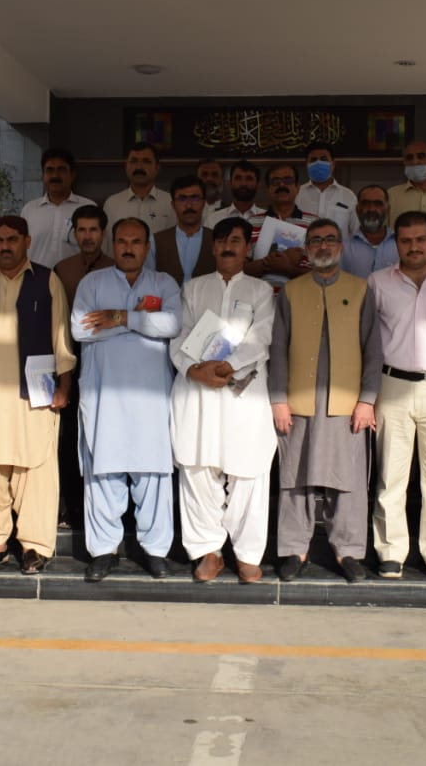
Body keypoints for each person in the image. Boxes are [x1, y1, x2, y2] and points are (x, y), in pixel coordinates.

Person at [0, 216, 76, 575]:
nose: (5, 246)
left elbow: (61, 338)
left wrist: (64, 386)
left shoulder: (47, 279)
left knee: (35, 468)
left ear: (27, 241)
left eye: (12, 239)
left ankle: (34, 546)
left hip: (34, 394)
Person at [269, 219, 382, 583]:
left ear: (340, 246)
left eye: (330, 240)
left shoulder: (360, 289)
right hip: (298, 401)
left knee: (349, 479)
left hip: (346, 403)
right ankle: (293, 550)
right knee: (294, 477)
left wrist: (367, 400)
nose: (323, 246)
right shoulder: (291, 291)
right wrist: (278, 399)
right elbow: (278, 348)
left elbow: (373, 349)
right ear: (306, 248)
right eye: (316, 241)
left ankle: (348, 551)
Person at [72, 217, 183, 581]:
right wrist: (142, 322)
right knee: (103, 472)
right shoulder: (93, 282)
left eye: (136, 242)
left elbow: (173, 325)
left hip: (151, 400)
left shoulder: (163, 283)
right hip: (104, 396)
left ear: (147, 247)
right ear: (112, 243)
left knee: (153, 473)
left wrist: (118, 318)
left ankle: (156, 552)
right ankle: (104, 551)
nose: (129, 248)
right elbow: (80, 329)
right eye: (122, 241)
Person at [170, 217, 277, 583]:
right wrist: (192, 369)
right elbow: (179, 334)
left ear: (248, 248)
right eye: (221, 241)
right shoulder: (193, 288)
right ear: (213, 247)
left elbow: (263, 336)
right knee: (197, 467)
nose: (228, 247)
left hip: (243, 390)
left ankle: (247, 554)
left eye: (235, 240)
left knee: (249, 469)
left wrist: (230, 365)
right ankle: (208, 551)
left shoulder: (261, 290)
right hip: (198, 388)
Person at [368, 211, 426, 579]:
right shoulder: (378, 283)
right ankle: (391, 550)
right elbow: (368, 340)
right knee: (390, 475)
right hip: (391, 383)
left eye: (421, 239)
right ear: (396, 243)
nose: (414, 247)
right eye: (406, 240)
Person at [53, 204, 115, 530]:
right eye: (82, 230)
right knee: (69, 437)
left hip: (109, 363)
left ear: (103, 233)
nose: (88, 236)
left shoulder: (117, 268)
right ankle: (72, 506)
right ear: (74, 233)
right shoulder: (62, 269)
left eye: (93, 230)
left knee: (106, 434)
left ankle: (108, 509)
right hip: (69, 360)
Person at [21, 148, 96, 269]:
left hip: (77, 278)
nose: (55, 175)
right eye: (49, 170)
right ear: (43, 175)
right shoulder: (29, 209)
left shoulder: (89, 208)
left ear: (72, 175)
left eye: (61, 170)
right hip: (37, 279)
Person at [244, 163, 313, 290]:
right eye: (275, 181)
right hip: (259, 298)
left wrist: (288, 269)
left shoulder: (314, 224)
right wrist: (275, 261)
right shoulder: (251, 223)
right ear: (268, 189)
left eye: (288, 180)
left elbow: (322, 273)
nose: (281, 185)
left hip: (301, 297)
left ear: (297, 188)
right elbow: (240, 270)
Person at [154, 175, 216, 284]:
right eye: (182, 199)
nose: (189, 206)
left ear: (204, 203)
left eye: (195, 198)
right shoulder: (155, 241)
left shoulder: (217, 240)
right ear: (173, 205)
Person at [105, 142, 174, 237]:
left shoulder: (171, 203)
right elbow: (107, 243)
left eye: (146, 161)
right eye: (133, 161)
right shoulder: (112, 204)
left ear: (157, 167)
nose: (139, 167)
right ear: (126, 166)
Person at [295, 142, 360, 238]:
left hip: (340, 248)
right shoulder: (296, 194)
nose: (318, 163)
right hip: (304, 248)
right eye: (313, 160)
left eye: (323, 159)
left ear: (333, 164)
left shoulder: (348, 196)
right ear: (307, 165)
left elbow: (356, 232)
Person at [341, 185, 399, 279]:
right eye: (365, 204)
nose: (371, 209)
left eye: (378, 204)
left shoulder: (401, 244)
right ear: (357, 209)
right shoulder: (343, 247)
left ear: (388, 209)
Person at [387, 139, 426, 227]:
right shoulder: (391, 195)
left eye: (421, 156)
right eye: (409, 157)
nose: (415, 162)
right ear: (404, 162)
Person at [206, 160, 266, 227]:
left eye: (249, 178)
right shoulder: (214, 219)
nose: (243, 184)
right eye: (238, 178)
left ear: (258, 185)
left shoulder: (268, 220)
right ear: (230, 183)